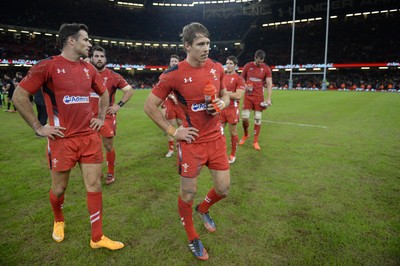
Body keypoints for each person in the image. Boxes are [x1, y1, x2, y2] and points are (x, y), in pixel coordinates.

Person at [12, 23, 124, 250]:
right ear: (71, 41)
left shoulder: (89, 69)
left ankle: (97, 237)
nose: (89, 44)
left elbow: (104, 94)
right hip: (62, 140)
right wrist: (38, 127)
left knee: (94, 185)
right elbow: (19, 96)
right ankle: (59, 219)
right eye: (85, 40)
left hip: (89, 137)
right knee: (59, 189)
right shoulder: (48, 66)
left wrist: (101, 118)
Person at [144, 22, 230, 261]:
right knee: (188, 192)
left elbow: (224, 94)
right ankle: (193, 237)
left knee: (223, 189)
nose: (207, 48)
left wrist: (222, 103)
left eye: (208, 43)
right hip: (191, 142)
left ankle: (203, 209)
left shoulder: (216, 68)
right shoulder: (173, 74)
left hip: (216, 139)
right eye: (201, 44)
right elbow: (150, 106)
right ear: (187, 46)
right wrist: (173, 131)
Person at [89, 45, 134, 185]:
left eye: (102, 56)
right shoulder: (84, 73)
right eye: (96, 56)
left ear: (106, 59)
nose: (99, 59)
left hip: (106, 115)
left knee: (108, 145)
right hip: (88, 116)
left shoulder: (113, 76)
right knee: (91, 146)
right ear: (91, 57)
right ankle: (97, 171)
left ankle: (110, 172)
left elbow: (129, 90)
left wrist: (118, 105)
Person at [239, 49, 272, 150]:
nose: (259, 63)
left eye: (261, 62)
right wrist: (245, 85)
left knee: (258, 118)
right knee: (245, 117)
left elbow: (269, 84)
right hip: (248, 96)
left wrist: (268, 98)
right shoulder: (248, 66)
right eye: (258, 61)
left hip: (259, 97)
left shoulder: (266, 68)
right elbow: (241, 79)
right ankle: (245, 135)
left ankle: (255, 141)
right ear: (255, 58)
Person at [220, 56, 245, 164]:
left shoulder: (239, 79)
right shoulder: (222, 77)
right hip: (221, 108)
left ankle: (233, 154)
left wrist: (225, 94)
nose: (228, 65)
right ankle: (220, 154)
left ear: (235, 66)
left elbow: (238, 95)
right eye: (227, 63)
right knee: (219, 132)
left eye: (231, 63)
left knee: (232, 132)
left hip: (232, 109)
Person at [163, 54, 185, 157]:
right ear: (169, 63)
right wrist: (171, 96)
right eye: (172, 61)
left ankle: (180, 144)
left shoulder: (182, 74)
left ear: (179, 62)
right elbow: (162, 90)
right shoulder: (165, 75)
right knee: (170, 127)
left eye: (175, 61)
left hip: (180, 105)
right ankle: (171, 149)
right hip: (170, 105)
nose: (173, 63)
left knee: (182, 125)